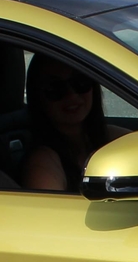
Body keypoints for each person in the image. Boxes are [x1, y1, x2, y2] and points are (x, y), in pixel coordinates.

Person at [21, 60, 123, 192]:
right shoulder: (41, 163)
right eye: (54, 88)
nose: (72, 94)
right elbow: (50, 211)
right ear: (38, 97)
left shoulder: (106, 136)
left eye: (80, 82)